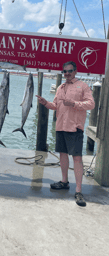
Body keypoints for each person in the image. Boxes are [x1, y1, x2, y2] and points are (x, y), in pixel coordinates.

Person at [36, 61, 95, 207]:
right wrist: (45, 103)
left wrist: (74, 103)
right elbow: (56, 106)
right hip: (61, 127)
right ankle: (64, 182)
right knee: (62, 154)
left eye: (69, 71)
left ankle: (79, 191)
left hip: (74, 128)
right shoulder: (60, 87)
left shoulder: (83, 86)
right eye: (65, 71)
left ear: (75, 71)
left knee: (77, 159)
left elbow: (91, 104)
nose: (67, 73)